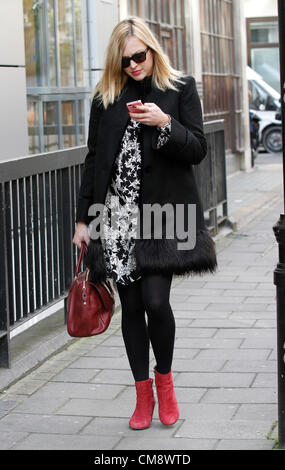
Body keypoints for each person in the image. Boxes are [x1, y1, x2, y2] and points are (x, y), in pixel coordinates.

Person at [72, 16, 217, 430]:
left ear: (152, 49)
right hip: (114, 217)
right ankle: (142, 396)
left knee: (156, 301)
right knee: (132, 307)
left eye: (140, 56)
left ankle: (166, 384)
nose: (134, 65)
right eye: (126, 61)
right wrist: (84, 219)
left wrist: (164, 124)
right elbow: (94, 160)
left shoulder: (180, 90)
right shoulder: (105, 98)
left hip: (162, 217)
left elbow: (199, 150)